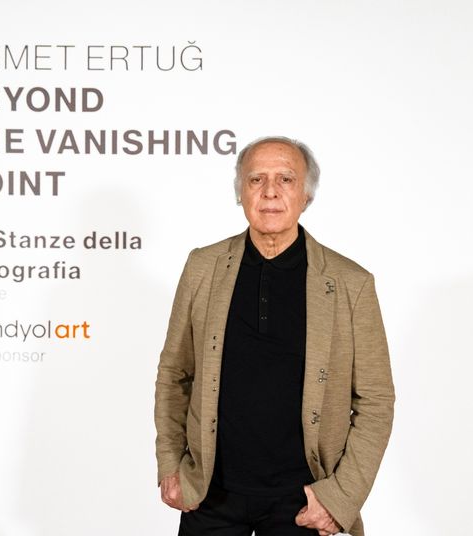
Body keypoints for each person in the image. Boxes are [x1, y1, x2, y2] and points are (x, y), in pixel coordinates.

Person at [154, 136, 395, 536]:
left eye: (285, 179)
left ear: (306, 195)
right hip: (210, 495)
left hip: (303, 501)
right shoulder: (202, 267)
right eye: (256, 180)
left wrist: (340, 498)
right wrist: (169, 463)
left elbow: (376, 401)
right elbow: (174, 373)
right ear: (240, 192)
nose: (270, 192)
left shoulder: (350, 283)